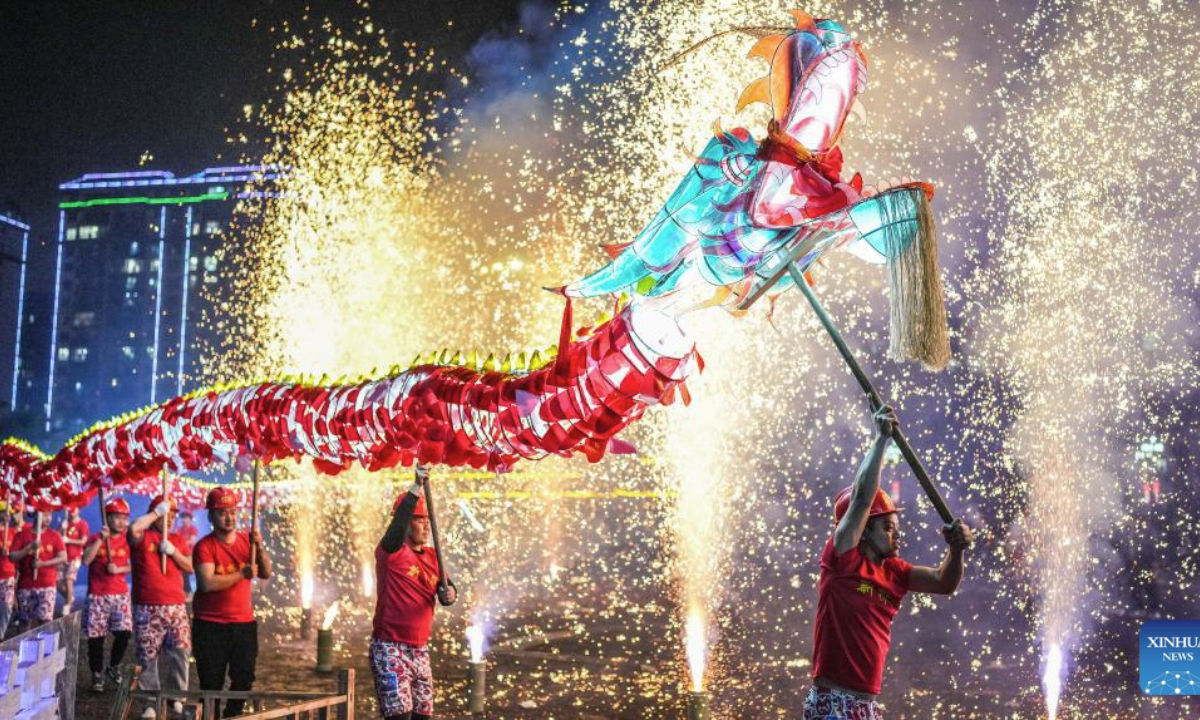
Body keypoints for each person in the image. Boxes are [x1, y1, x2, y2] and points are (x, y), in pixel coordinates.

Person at [806, 405, 974, 720]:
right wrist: (881, 439)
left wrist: (956, 549)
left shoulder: (894, 573)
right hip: (833, 704)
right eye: (887, 527)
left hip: (867, 707)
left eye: (897, 528)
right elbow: (861, 501)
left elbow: (944, 582)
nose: (897, 536)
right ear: (863, 531)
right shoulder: (841, 559)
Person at [370, 468, 457, 720]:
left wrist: (450, 594)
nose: (426, 526)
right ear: (406, 522)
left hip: (420, 650)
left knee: (422, 716)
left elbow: (448, 589)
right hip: (389, 649)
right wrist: (416, 487)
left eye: (427, 520)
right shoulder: (391, 552)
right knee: (400, 716)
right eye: (420, 520)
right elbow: (396, 527)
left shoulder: (433, 557)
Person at [192, 487, 273, 717]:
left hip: (243, 624)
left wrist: (260, 546)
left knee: (245, 677)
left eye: (232, 512)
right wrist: (241, 574)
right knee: (211, 682)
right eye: (222, 513)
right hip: (209, 625)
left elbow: (266, 572)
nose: (229, 517)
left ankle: (231, 716)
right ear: (211, 516)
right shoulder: (204, 547)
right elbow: (206, 583)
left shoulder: (248, 543)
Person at [129, 496, 194, 719]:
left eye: (173, 515)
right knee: (147, 656)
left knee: (181, 650)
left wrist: (173, 552)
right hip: (147, 606)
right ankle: (149, 702)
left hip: (176, 606)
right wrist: (157, 512)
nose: (170, 519)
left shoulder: (177, 539)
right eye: (167, 513)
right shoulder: (142, 536)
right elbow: (134, 528)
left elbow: (190, 565)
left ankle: (176, 697)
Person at [81, 497, 133, 692]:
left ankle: (113, 666)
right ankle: (96, 674)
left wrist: (118, 569)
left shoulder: (129, 540)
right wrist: (101, 541)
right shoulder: (96, 538)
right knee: (96, 638)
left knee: (124, 632)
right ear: (107, 518)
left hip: (120, 594)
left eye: (124, 518)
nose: (122, 522)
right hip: (97, 595)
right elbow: (86, 560)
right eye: (117, 517)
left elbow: (135, 565)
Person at [9, 509, 67, 628]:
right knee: (24, 622)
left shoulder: (54, 535)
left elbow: (63, 557)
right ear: (36, 515)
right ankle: (25, 646)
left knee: (45, 621)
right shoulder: (22, 535)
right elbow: (12, 557)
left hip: (47, 585)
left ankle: (45, 647)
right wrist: (29, 547)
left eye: (50, 515)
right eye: (45, 514)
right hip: (25, 585)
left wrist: (43, 564)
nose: (48, 518)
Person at [0, 501, 25, 637]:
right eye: (3, 513)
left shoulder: (13, 532)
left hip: (8, 575)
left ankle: (1, 636)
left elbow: (18, 552)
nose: (6, 516)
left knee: (6, 606)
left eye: (7, 513)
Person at [59, 505, 90, 612]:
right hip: (63, 557)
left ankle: (67, 605)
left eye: (74, 508)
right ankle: (69, 597)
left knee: (69, 579)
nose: (72, 511)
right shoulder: (65, 522)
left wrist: (69, 540)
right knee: (57, 581)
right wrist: (61, 527)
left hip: (75, 557)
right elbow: (56, 536)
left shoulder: (83, 524)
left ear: (79, 509)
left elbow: (83, 541)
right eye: (70, 509)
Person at [173, 511, 199, 599]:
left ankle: (188, 591)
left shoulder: (193, 529)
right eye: (182, 518)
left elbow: (192, 541)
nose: (183, 520)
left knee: (186, 573)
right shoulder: (179, 529)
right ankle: (185, 591)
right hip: (180, 554)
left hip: (189, 555)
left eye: (185, 517)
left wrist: (181, 543)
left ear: (190, 519)